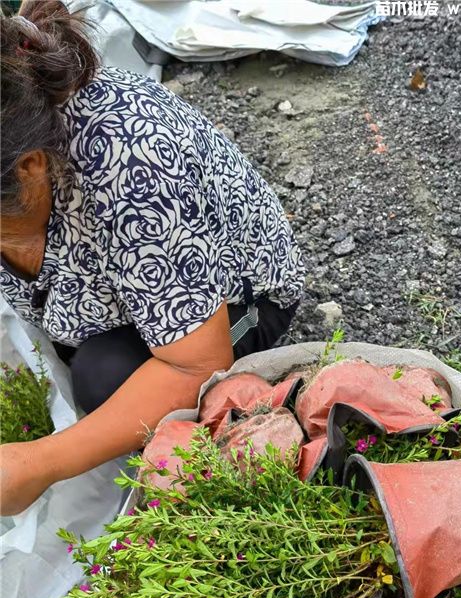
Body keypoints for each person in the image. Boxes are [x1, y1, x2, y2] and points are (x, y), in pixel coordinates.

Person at [0, 1, 305, 516]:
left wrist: (39, 463)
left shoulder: (130, 162)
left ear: (30, 167)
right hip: (105, 290)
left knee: (103, 376)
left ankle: (192, 463)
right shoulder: (18, 168)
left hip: (234, 300)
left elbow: (196, 363)